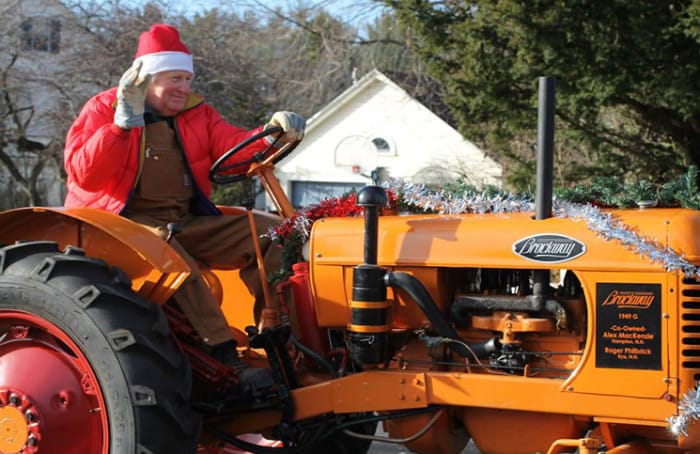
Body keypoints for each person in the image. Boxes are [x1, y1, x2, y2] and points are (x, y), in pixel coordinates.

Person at [63, 23, 305, 379]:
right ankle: (222, 350)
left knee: (274, 233)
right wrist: (121, 125)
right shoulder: (104, 107)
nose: (184, 88)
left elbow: (232, 147)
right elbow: (84, 173)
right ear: (146, 78)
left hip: (183, 218)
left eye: (187, 79)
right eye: (174, 79)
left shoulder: (197, 113)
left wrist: (272, 134)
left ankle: (278, 336)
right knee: (173, 255)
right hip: (120, 223)